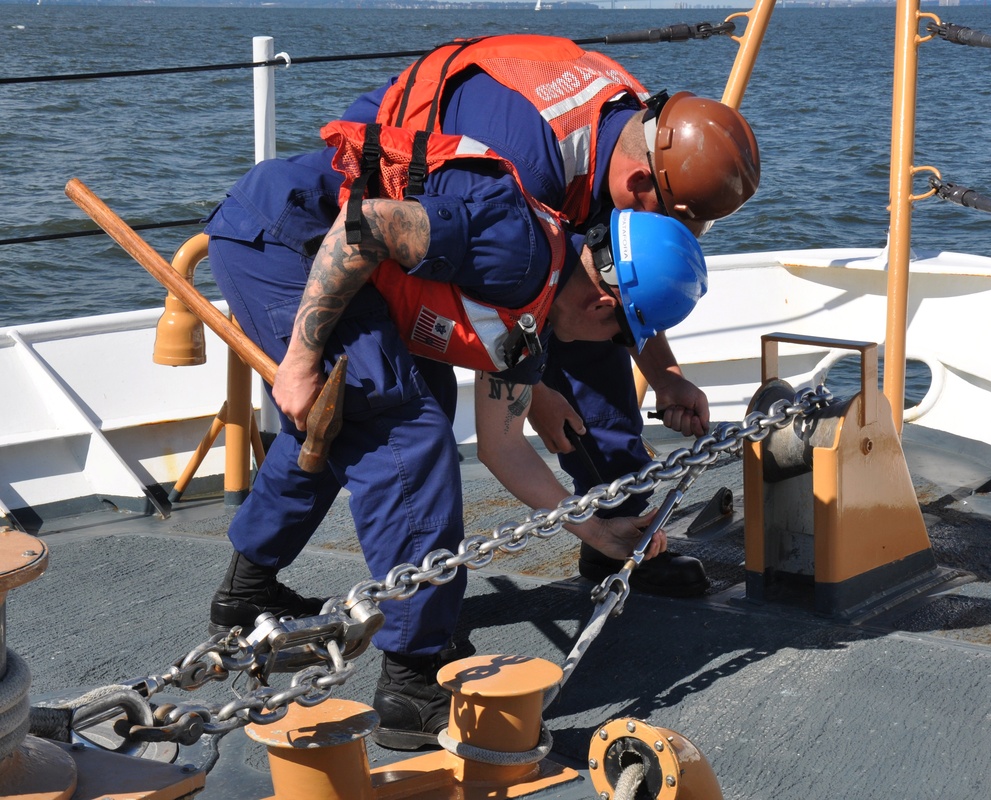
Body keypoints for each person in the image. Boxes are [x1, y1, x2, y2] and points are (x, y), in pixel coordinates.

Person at [203, 107, 709, 750]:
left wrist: (598, 530)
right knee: (400, 430)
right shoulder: (518, 245)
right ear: (603, 304)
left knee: (357, 416)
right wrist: (302, 361)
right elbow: (364, 229)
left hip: (359, 270)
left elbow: (505, 448)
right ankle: (413, 683)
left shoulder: (531, 334)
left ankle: (245, 595)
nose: (611, 348)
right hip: (289, 234)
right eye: (622, 337)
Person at [343, 33, 760, 596]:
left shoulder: (634, 132)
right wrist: (533, 391)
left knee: (593, 329)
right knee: (413, 424)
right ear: (638, 184)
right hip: (403, 226)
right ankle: (379, 610)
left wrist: (664, 374)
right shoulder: (517, 170)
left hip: (519, 221)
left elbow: (620, 287)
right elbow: (484, 303)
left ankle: (619, 537)